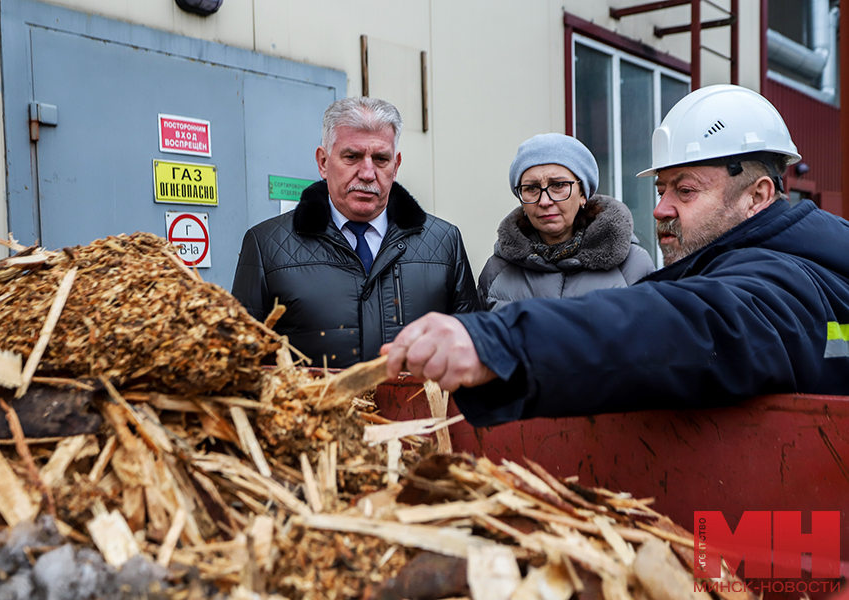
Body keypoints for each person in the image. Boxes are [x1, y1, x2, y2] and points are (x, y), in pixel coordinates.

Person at [383, 84, 849, 425]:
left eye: (685, 191)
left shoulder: (790, 283)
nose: (661, 208)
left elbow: (692, 323)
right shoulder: (785, 258)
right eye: (663, 188)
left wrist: (501, 343)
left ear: (758, 196)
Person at [232, 97, 479, 368]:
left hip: (418, 412)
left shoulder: (444, 243)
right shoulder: (266, 246)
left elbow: (470, 349)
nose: (367, 173)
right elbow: (243, 365)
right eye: (352, 157)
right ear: (323, 162)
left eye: (381, 159)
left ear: (395, 165)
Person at [478, 133, 654, 310]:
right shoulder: (497, 272)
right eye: (531, 188)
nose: (545, 201)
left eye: (558, 185)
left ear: (583, 194)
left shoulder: (632, 266)